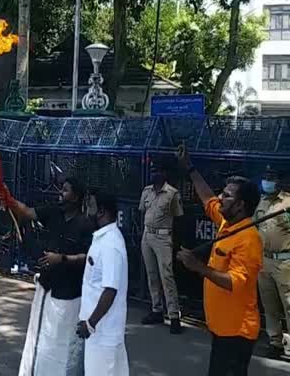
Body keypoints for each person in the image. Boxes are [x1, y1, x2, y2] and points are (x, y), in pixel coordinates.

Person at [176, 146, 263, 376]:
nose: (221, 198)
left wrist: (198, 267)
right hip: (221, 327)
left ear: (241, 205)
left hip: (237, 332)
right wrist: (190, 168)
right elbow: (208, 199)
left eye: (227, 195)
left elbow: (235, 282)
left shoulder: (249, 239)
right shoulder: (227, 222)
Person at [12, 178, 94, 376]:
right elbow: (27, 212)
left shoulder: (85, 224)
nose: (60, 193)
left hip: (69, 294)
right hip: (47, 287)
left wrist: (62, 259)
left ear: (76, 197)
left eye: (65, 190)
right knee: (41, 338)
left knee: (64, 344)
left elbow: (90, 258)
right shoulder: (53, 211)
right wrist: (5, 195)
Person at [76, 193, 129, 376]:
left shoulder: (110, 244)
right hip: (101, 331)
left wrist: (90, 324)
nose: (86, 211)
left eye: (89, 205)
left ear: (100, 211)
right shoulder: (103, 238)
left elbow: (110, 289)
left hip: (102, 332)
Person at [139, 163, 184, 334]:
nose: (154, 173)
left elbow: (178, 218)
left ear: (164, 173)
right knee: (152, 274)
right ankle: (157, 309)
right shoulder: (147, 191)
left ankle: (174, 315)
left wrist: (176, 243)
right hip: (147, 235)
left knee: (167, 275)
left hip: (164, 236)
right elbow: (142, 211)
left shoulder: (172, 193)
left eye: (157, 170)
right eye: (152, 170)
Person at [254, 166, 290, 359]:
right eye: (265, 176)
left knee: (289, 304)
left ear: (279, 181)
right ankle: (275, 342)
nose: (267, 180)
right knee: (269, 306)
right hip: (264, 260)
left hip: (285, 262)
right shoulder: (262, 202)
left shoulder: (288, 202)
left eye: (271, 177)